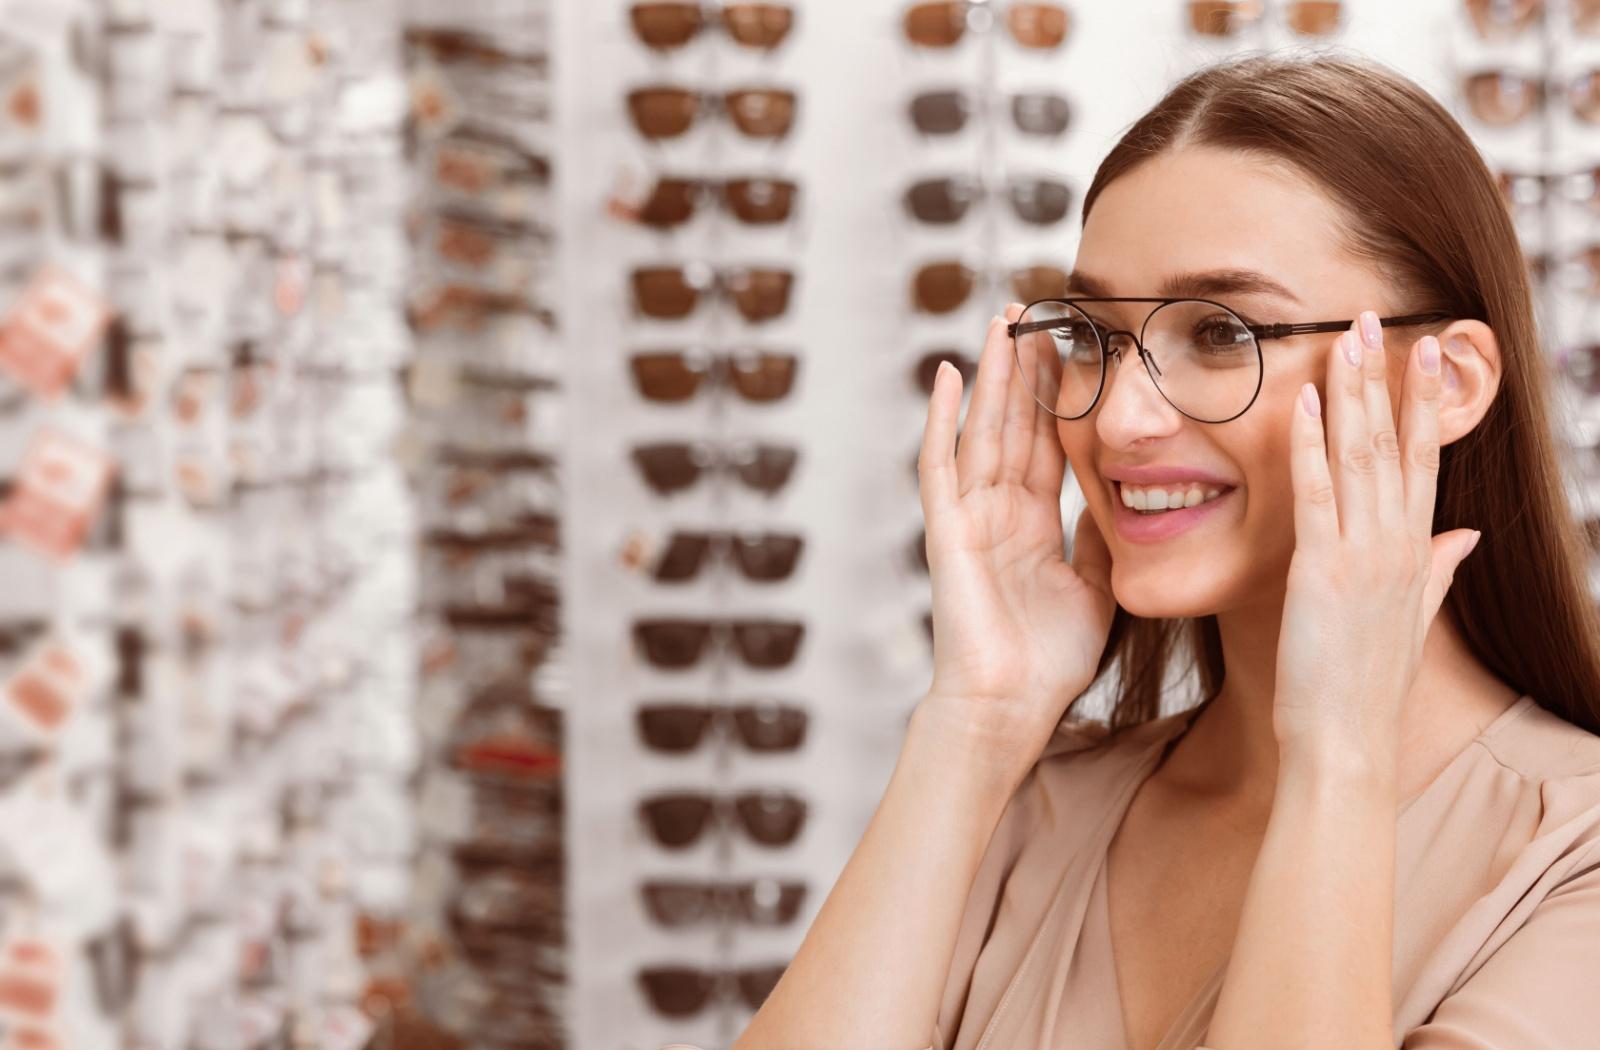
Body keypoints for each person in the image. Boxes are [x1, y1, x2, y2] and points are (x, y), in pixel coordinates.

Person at [728, 50, 1600, 1050]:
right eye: (1095, 337)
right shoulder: (1026, 810)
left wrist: (1338, 762)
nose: (1121, 420)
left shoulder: (1569, 858)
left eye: (1223, 333)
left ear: (1442, 382)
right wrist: (976, 719)